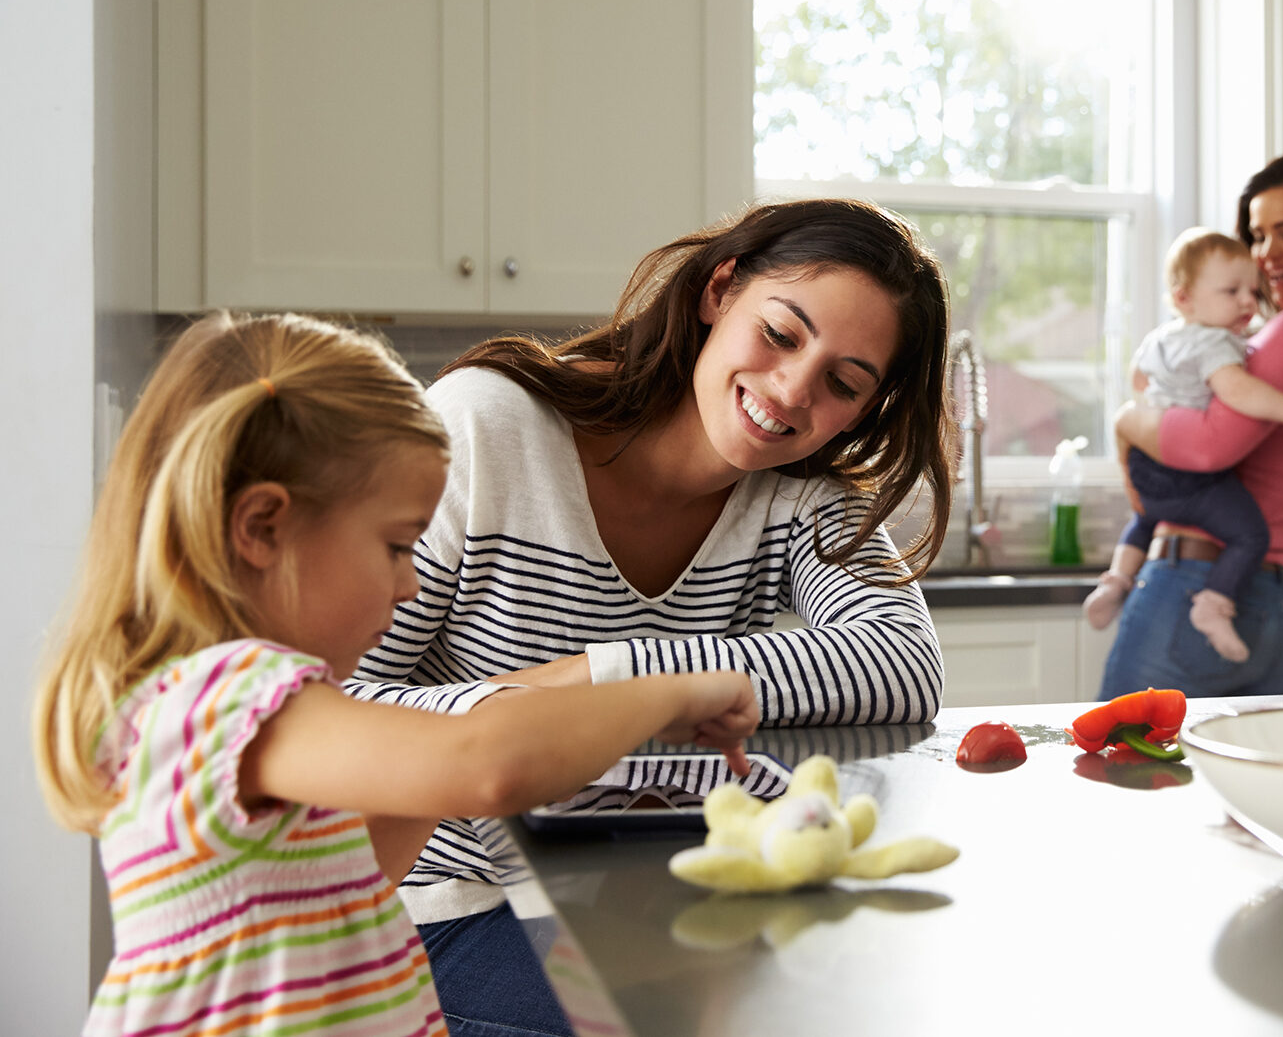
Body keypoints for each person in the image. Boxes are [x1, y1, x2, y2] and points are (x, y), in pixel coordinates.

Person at [31, 312, 758, 1037]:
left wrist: (454, 768)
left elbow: (345, 882)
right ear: (262, 528)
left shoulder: (246, 709)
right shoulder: (223, 698)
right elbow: (486, 767)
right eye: (395, 545)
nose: (409, 584)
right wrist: (674, 689)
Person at [345, 197, 955, 1035]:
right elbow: (336, 703)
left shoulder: (802, 492)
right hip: (452, 903)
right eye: (780, 334)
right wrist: (526, 723)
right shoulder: (487, 430)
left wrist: (608, 679)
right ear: (720, 290)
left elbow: (901, 664)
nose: (791, 390)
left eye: (843, 383)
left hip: (653, 884)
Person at [1099, 151, 1283, 700]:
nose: (1266, 255)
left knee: (1125, 777)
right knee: (1256, 784)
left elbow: (1212, 446)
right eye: (1257, 236)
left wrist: (1126, 421)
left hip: (1199, 592)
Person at [1082, 228, 1283, 661]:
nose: (1248, 302)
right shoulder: (1214, 342)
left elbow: (1138, 383)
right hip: (1190, 477)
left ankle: (1116, 581)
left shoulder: (1159, 338)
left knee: (1145, 517)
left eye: (1252, 290)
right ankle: (1214, 604)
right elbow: (1237, 391)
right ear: (1183, 298)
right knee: (1250, 534)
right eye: (1231, 291)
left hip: (1146, 464)